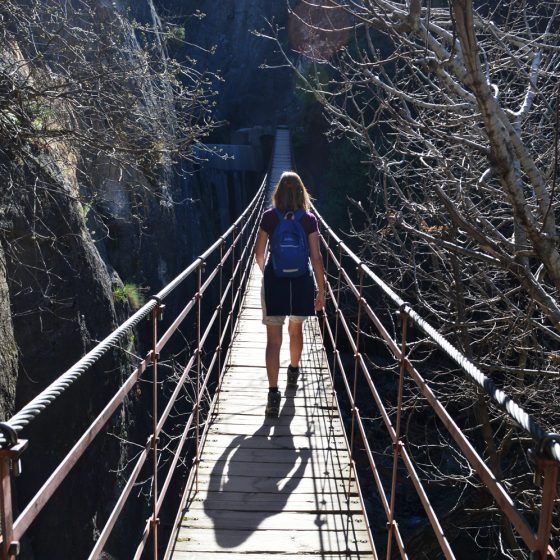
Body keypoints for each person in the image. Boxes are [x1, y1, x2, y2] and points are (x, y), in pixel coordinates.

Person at [255, 171, 326, 417]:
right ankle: (293, 373)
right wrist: (322, 290)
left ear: (278, 193)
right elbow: (316, 258)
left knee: (273, 341)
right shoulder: (309, 220)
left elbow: (259, 254)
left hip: (275, 282)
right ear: (301, 192)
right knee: (296, 330)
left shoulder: (268, 218)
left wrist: (270, 271)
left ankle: (273, 394)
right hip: (301, 283)